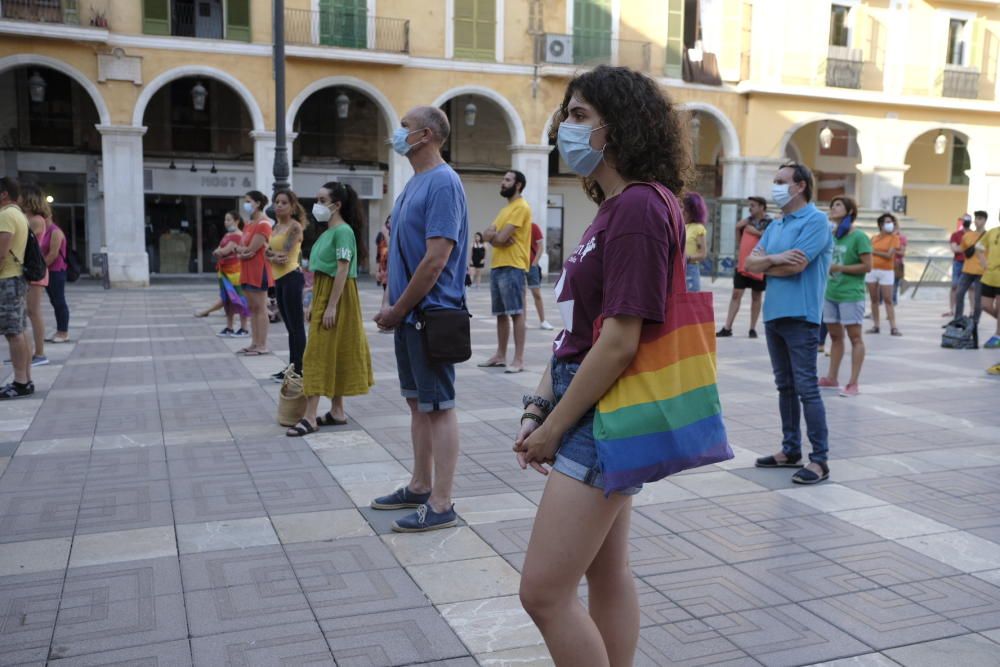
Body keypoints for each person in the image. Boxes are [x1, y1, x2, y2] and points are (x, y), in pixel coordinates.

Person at [512, 66, 690, 666]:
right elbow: (576, 328)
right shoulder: (616, 208)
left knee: (542, 593)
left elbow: (618, 341)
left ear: (622, 127)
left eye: (581, 115)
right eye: (567, 114)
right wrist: (539, 404)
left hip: (600, 412)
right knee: (607, 572)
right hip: (586, 400)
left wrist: (556, 425)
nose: (566, 125)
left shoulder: (639, 207)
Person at [372, 105, 469, 533]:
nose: (398, 133)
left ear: (426, 135)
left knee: (439, 407)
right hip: (411, 317)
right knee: (418, 404)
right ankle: (419, 484)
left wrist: (398, 308)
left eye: (405, 127)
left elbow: (435, 260)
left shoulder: (444, 183)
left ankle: (442, 501)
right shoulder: (415, 183)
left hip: (429, 315)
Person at [747, 162, 832, 485]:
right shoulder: (776, 225)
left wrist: (768, 263)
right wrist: (774, 260)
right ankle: (790, 450)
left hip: (802, 317)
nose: (776, 186)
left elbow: (796, 268)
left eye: (781, 181)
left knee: (807, 388)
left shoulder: (816, 221)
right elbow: (749, 263)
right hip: (774, 315)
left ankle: (820, 460)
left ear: (800, 186)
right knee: (785, 387)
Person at [287, 182, 374, 436]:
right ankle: (337, 411)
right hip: (328, 293)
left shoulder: (343, 231)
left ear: (337, 205)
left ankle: (310, 417)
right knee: (333, 350)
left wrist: (331, 306)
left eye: (322, 200)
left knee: (315, 354)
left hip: (339, 296)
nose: (317, 204)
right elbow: (324, 273)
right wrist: (315, 301)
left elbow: (343, 269)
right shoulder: (329, 231)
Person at [480, 170, 533, 373]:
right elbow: (486, 235)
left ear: (518, 185)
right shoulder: (506, 210)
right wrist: (495, 237)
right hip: (497, 266)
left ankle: (518, 360)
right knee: (501, 314)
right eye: (503, 179)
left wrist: (496, 237)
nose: (503, 183)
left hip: (514, 266)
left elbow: (500, 238)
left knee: (516, 313)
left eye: (507, 180)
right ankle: (500, 355)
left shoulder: (521, 207)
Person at [818, 196, 871, 397]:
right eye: (832, 205)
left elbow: (867, 266)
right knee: (834, 336)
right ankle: (831, 378)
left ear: (850, 211)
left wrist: (840, 267)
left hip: (851, 294)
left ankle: (853, 383)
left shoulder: (859, 237)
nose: (833, 208)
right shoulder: (831, 235)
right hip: (831, 293)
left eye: (838, 205)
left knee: (855, 337)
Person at [267, 189, 307, 381]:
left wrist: (272, 256)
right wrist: (273, 256)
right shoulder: (275, 227)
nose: (279, 205)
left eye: (284, 202)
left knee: (296, 326)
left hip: (292, 276)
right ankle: (293, 367)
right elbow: (268, 253)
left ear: (292, 206)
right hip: (280, 279)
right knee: (290, 327)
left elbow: (283, 255)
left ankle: (300, 368)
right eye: (277, 202)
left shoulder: (294, 227)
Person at [718, 196, 771, 338]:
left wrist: (756, 232)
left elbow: (770, 241)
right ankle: (727, 327)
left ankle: (752, 328)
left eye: (753, 205)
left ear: (762, 207)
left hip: (760, 265)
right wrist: (737, 228)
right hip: (743, 265)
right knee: (736, 294)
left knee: (756, 296)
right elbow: (740, 242)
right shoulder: (747, 222)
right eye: (750, 205)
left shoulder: (770, 223)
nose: (750, 208)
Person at [0, 177, 33, 399]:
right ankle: (25, 378)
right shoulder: (19, 214)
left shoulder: (6, 216)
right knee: (19, 330)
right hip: (17, 277)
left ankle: (20, 381)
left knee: (14, 333)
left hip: (7, 279)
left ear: (3, 194)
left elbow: (1, 253)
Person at [236, 190, 273, 356]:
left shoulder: (263, 224)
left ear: (258, 203)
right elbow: (241, 249)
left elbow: (252, 249)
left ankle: (262, 345)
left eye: (248, 201)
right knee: (252, 308)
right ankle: (254, 343)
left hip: (259, 270)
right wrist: (242, 251)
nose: (246, 204)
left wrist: (243, 251)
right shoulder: (249, 224)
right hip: (246, 268)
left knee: (260, 307)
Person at [19, 185, 50, 367]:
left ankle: (39, 353)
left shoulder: (36, 220)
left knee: (34, 311)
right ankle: (28, 352)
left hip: (35, 270)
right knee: (28, 312)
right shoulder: (29, 219)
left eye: (22, 197)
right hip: (30, 269)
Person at [210, 211, 250, 337]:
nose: (226, 222)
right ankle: (229, 327)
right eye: (225, 220)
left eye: (229, 220)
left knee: (239, 298)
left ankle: (244, 328)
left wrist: (219, 251)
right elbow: (219, 250)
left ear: (237, 221)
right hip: (224, 271)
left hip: (235, 272)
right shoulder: (228, 235)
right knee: (227, 300)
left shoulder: (238, 235)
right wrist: (219, 251)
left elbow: (224, 251)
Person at [954, 211, 988, 348]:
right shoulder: (967, 235)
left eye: (980, 218)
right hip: (967, 270)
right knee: (959, 293)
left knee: (978, 299)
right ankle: (958, 319)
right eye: (976, 218)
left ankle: (975, 322)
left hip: (981, 272)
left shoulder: (988, 236)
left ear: (985, 220)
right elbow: (961, 249)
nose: (977, 221)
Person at [866, 213, 901, 336]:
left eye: (891, 222)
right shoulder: (874, 238)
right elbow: (867, 252)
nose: (890, 224)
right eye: (887, 222)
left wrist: (874, 251)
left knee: (888, 299)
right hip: (872, 270)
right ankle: (876, 325)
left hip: (887, 271)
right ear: (880, 225)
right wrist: (874, 252)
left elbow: (889, 255)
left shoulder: (894, 238)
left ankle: (893, 327)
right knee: (874, 299)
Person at [527, 221, 554, 330]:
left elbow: (540, 246)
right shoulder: (516, 227)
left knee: (536, 293)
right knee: (521, 295)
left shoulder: (533, 226)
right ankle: (522, 321)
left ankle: (543, 321)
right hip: (518, 264)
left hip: (531, 266)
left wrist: (534, 262)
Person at [979, 216, 1000, 349]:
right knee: (985, 305)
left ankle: (997, 336)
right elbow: (978, 247)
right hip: (989, 276)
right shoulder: (992, 232)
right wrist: (983, 261)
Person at [947, 215, 973, 317]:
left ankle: (972, 310)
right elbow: (954, 249)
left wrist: (961, 247)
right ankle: (951, 309)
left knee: (972, 287)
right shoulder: (956, 234)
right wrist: (968, 248)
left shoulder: (974, 234)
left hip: (970, 263)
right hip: (958, 263)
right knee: (954, 286)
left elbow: (958, 248)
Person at [682, 191, 708, 291]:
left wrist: (686, 258)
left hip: (690, 269)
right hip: (678, 268)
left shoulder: (698, 228)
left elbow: (703, 254)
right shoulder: (681, 226)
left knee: (690, 302)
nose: (682, 211)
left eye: (685, 209)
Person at [892, 218, 907, 305]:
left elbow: (902, 252)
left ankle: (893, 302)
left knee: (894, 285)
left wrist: (892, 250)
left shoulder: (901, 238)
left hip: (896, 264)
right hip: (884, 264)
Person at [375, 216, 390, 289]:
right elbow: (378, 255)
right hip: (384, 267)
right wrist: (378, 271)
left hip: (390, 268)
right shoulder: (381, 235)